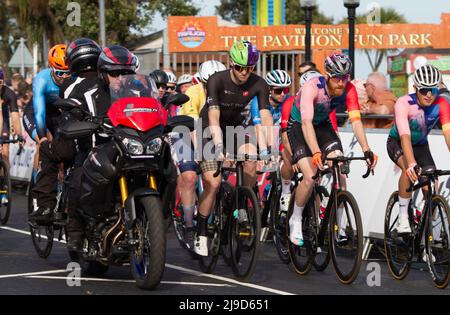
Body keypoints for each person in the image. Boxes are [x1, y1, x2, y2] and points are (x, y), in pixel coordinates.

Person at [287, 53, 378, 246]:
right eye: (338, 77)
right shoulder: (312, 87)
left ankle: (338, 225)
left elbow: (355, 122)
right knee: (311, 175)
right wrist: (316, 151)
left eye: (345, 77)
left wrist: (366, 149)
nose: (342, 83)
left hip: (323, 126)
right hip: (300, 126)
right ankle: (295, 218)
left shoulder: (350, 89)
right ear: (327, 75)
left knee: (340, 167)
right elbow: (306, 124)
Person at [194, 40, 274, 256]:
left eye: (249, 68)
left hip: (234, 127)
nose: (244, 73)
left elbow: (265, 116)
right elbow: (213, 116)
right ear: (231, 64)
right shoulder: (216, 80)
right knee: (213, 182)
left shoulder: (259, 83)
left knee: (250, 156)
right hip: (208, 129)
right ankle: (201, 230)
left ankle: (242, 201)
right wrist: (219, 147)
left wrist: (269, 149)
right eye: (239, 67)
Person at [63, 43, 137, 250]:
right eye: (115, 73)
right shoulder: (85, 91)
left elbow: (152, 111)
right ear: (103, 72)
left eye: (126, 73)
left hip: (129, 149)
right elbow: (68, 116)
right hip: (94, 150)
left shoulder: (136, 92)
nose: (121, 78)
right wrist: (76, 120)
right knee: (78, 179)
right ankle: (76, 232)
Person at [387, 65, 450, 235]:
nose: (429, 94)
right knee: (409, 171)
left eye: (432, 89)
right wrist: (411, 163)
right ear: (415, 88)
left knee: (432, 185)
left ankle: (424, 238)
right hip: (398, 142)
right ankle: (402, 219)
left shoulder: (442, 103)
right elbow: (405, 137)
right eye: (424, 90)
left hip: (421, 145)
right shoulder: (404, 103)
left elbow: (448, 133)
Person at [28, 44, 73, 221]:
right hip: (37, 113)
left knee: (64, 148)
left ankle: (63, 189)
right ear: (51, 68)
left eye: (68, 72)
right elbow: (39, 114)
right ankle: (37, 191)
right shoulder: (41, 79)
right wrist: (43, 139)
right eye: (60, 73)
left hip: (57, 115)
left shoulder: (72, 77)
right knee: (45, 144)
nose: (64, 77)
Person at [249, 69, 294, 211]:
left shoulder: (287, 100)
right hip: (254, 136)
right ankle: (250, 198)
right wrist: (263, 153)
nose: (283, 94)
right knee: (253, 168)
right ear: (269, 90)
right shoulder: (258, 101)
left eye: (286, 89)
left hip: (275, 137)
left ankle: (274, 189)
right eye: (278, 90)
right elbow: (258, 128)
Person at [0, 70, 23, 163]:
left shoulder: (9, 93)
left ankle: (4, 175)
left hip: (4, 117)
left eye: (0, 82)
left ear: (3, 81)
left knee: (5, 149)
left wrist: (19, 135)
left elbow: (15, 116)